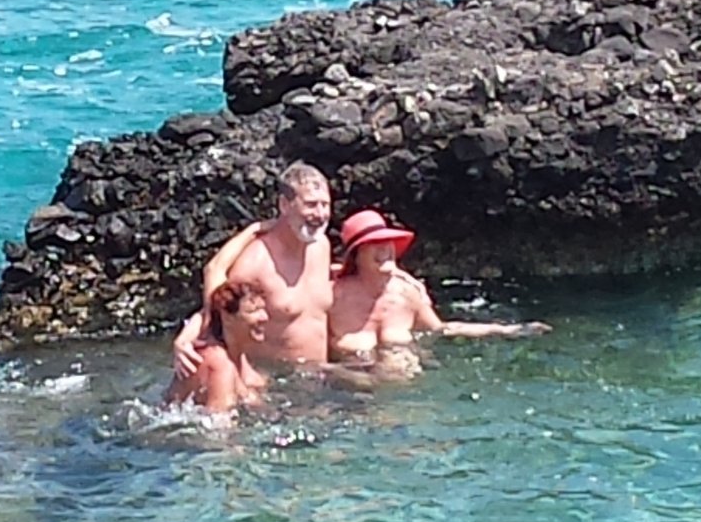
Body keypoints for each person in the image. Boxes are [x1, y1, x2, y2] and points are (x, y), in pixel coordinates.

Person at [328, 209, 550, 370]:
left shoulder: (407, 294)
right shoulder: (332, 297)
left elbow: (441, 330)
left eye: (388, 241)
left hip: (405, 399)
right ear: (356, 255)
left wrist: (507, 331)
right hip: (355, 395)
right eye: (373, 244)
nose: (385, 248)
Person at [170, 161, 335, 377]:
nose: (321, 214)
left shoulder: (322, 246)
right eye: (311, 205)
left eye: (325, 205)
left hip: (320, 375)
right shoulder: (256, 260)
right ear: (284, 205)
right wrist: (185, 338)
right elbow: (220, 305)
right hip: (277, 380)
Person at [163, 278, 270, 416]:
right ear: (227, 318)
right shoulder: (219, 365)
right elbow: (218, 424)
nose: (264, 317)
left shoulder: (240, 359)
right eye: (253, 311)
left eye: (263, 309)